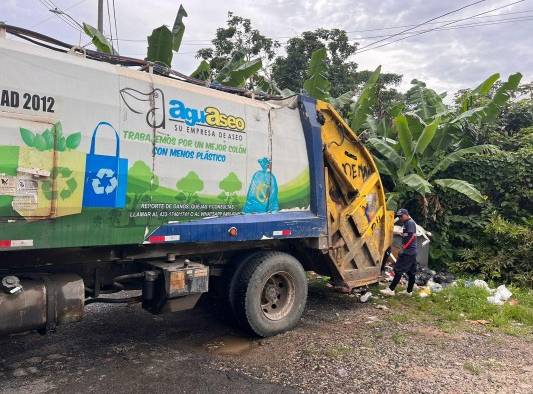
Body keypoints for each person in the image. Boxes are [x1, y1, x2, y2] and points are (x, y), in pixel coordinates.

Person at [380, 208, 418, 296]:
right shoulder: (406, 223)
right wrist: (398, 233)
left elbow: (412, 237)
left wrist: (403, 248)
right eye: (399, 216)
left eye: (401, 216)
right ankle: (409, 291)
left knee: (398, 270)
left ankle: (391, 290)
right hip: (412, 252)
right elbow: (407, 235)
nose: (400, 218)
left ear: (406, 214)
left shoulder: (410, 223)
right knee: (411, 272)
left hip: (408, 252)